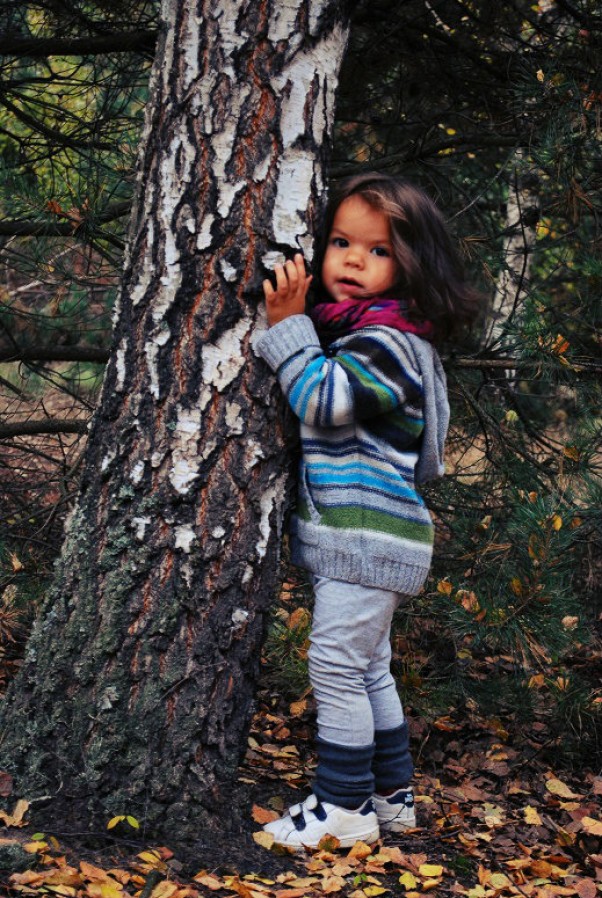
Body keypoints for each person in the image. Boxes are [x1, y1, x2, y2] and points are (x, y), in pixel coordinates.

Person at [255, 172, 479, 849]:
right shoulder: (373, 331)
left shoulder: (388, 341)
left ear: (413, 265)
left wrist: (288, 329)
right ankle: (391, 798)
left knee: (334, 664)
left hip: (368, 537)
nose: (352, 260)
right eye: (342, 242)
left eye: (378, 251)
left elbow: (324, 401)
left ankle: (343, 808)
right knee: (368, 665)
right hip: (373, 537)